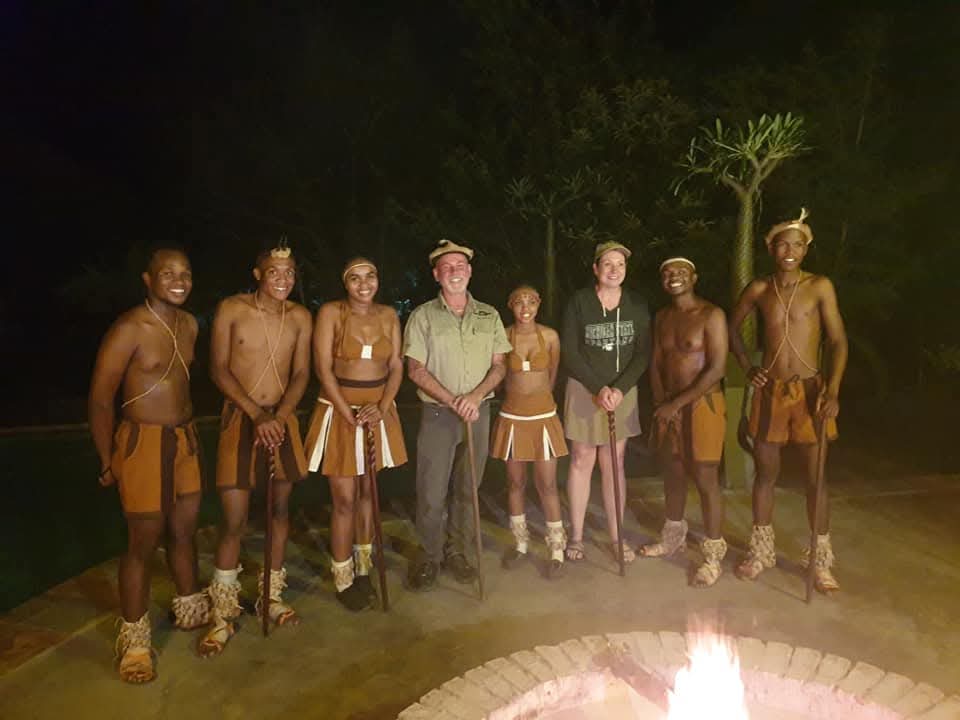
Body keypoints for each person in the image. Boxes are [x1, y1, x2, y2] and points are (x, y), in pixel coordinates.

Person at [88, 248, 208, 683]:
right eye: (168, 274)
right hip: (143, 442)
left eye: (185, 273)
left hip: (184, 438)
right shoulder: (129, 328)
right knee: (143, 539)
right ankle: (136, 641)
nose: (178, 281)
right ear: (148, 279)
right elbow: (101, 398)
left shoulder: (190, 324)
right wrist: (107, 458)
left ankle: (189, 604)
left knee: (184, 529)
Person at [199, 243, 312, 656]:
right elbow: (218, 369)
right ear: (258, 274)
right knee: (234, 519)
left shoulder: (300, 317)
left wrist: (280, 416)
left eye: (289, 272)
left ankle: (271, 595)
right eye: (274, 272)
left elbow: (301, 372)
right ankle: (223, 613)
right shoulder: (232, 308)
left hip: (281, 422)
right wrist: (255, 414)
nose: (283, 279)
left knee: (280, 511)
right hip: (241, 419)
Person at [729, 209, 847, 593]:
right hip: (771, 392)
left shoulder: (819, 286)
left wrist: (832, 391)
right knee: (766, 474)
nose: (789, 251)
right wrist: (748, 366)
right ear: (771, 248)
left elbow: (839, 341)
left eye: (797, 244)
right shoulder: (760, 289)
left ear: (806, 249)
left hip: (811, 392)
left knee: (816, 478)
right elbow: (732, 328)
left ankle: (820, 560)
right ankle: (761, 551)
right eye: (782, 244)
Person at [402, 239, 511, 591]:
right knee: (432, 491)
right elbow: (415, 369)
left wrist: (475, 397)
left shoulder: (489, 315)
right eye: (446, 267)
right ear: (436, 274)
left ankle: (458, 553)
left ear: (469, 272)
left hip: (478, 412)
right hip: (438, 414)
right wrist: (454, 400)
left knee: (468, 490)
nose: (454, 272)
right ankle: (430, 556)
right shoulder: (423, 316)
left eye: (460, 266)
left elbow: (500, 364)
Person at [303, 257, 407, 611]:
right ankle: (343, 574)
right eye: (355, 278)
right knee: (344, 498)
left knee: (368, 491)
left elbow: (395, 366)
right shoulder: (332, 313)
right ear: (345, 283)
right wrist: (345, 410)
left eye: (370, 277)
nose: (364, 284)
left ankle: (364, 566)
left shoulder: (389, 315)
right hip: (340, 409)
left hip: (375, 410)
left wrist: (383, 405)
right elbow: (323, 368)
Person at [640, 257, 728, 587]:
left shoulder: (711, 314)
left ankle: (712, 554)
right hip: (671, 406)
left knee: (705, 476)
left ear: (694, 277)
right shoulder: (662, 317)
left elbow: (717, 368)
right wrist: (664, 403)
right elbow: (656, 363)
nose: (673, 277)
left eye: (680, 272)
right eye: (667, 273)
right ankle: (673, 536)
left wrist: (677, 403)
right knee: (673, 472)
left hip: (703, 403)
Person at [561, 241, 650, 563]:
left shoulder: (636, 305)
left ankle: (616, 536)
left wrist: (620, 388)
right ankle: (576, 536)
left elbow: (642, 353)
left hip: (622, 392)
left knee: (615, 462)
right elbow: (570, 351)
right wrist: (598, 388)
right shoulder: (579, 302)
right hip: (585, 389)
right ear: (596, 269)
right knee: (582, 459)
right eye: (608, 264)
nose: (614, 270)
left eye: (620, 265)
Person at [490, 286, 569, 578]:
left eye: (531, 301)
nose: (525, 307)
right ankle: (521, 543)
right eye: (519, 302)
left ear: (539, 305)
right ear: (510, 305)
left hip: (543, 416)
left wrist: (540, 402)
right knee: (515, 483)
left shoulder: (549, 336)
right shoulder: (503, 336)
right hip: (512, 417)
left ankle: (557, 548)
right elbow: (498, 375)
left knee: (547, 484)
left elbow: (552, 375)